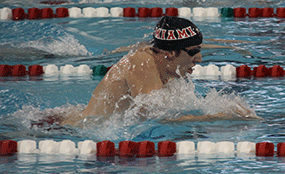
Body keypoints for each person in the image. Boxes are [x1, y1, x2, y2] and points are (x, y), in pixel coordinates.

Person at [61, 16, 259, 126]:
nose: (199, 59)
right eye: (193, 52)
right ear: (171, 53)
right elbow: (155, 118)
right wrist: (219, 117)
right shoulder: (141, 62)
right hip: (74, 132)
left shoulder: (167, 66)